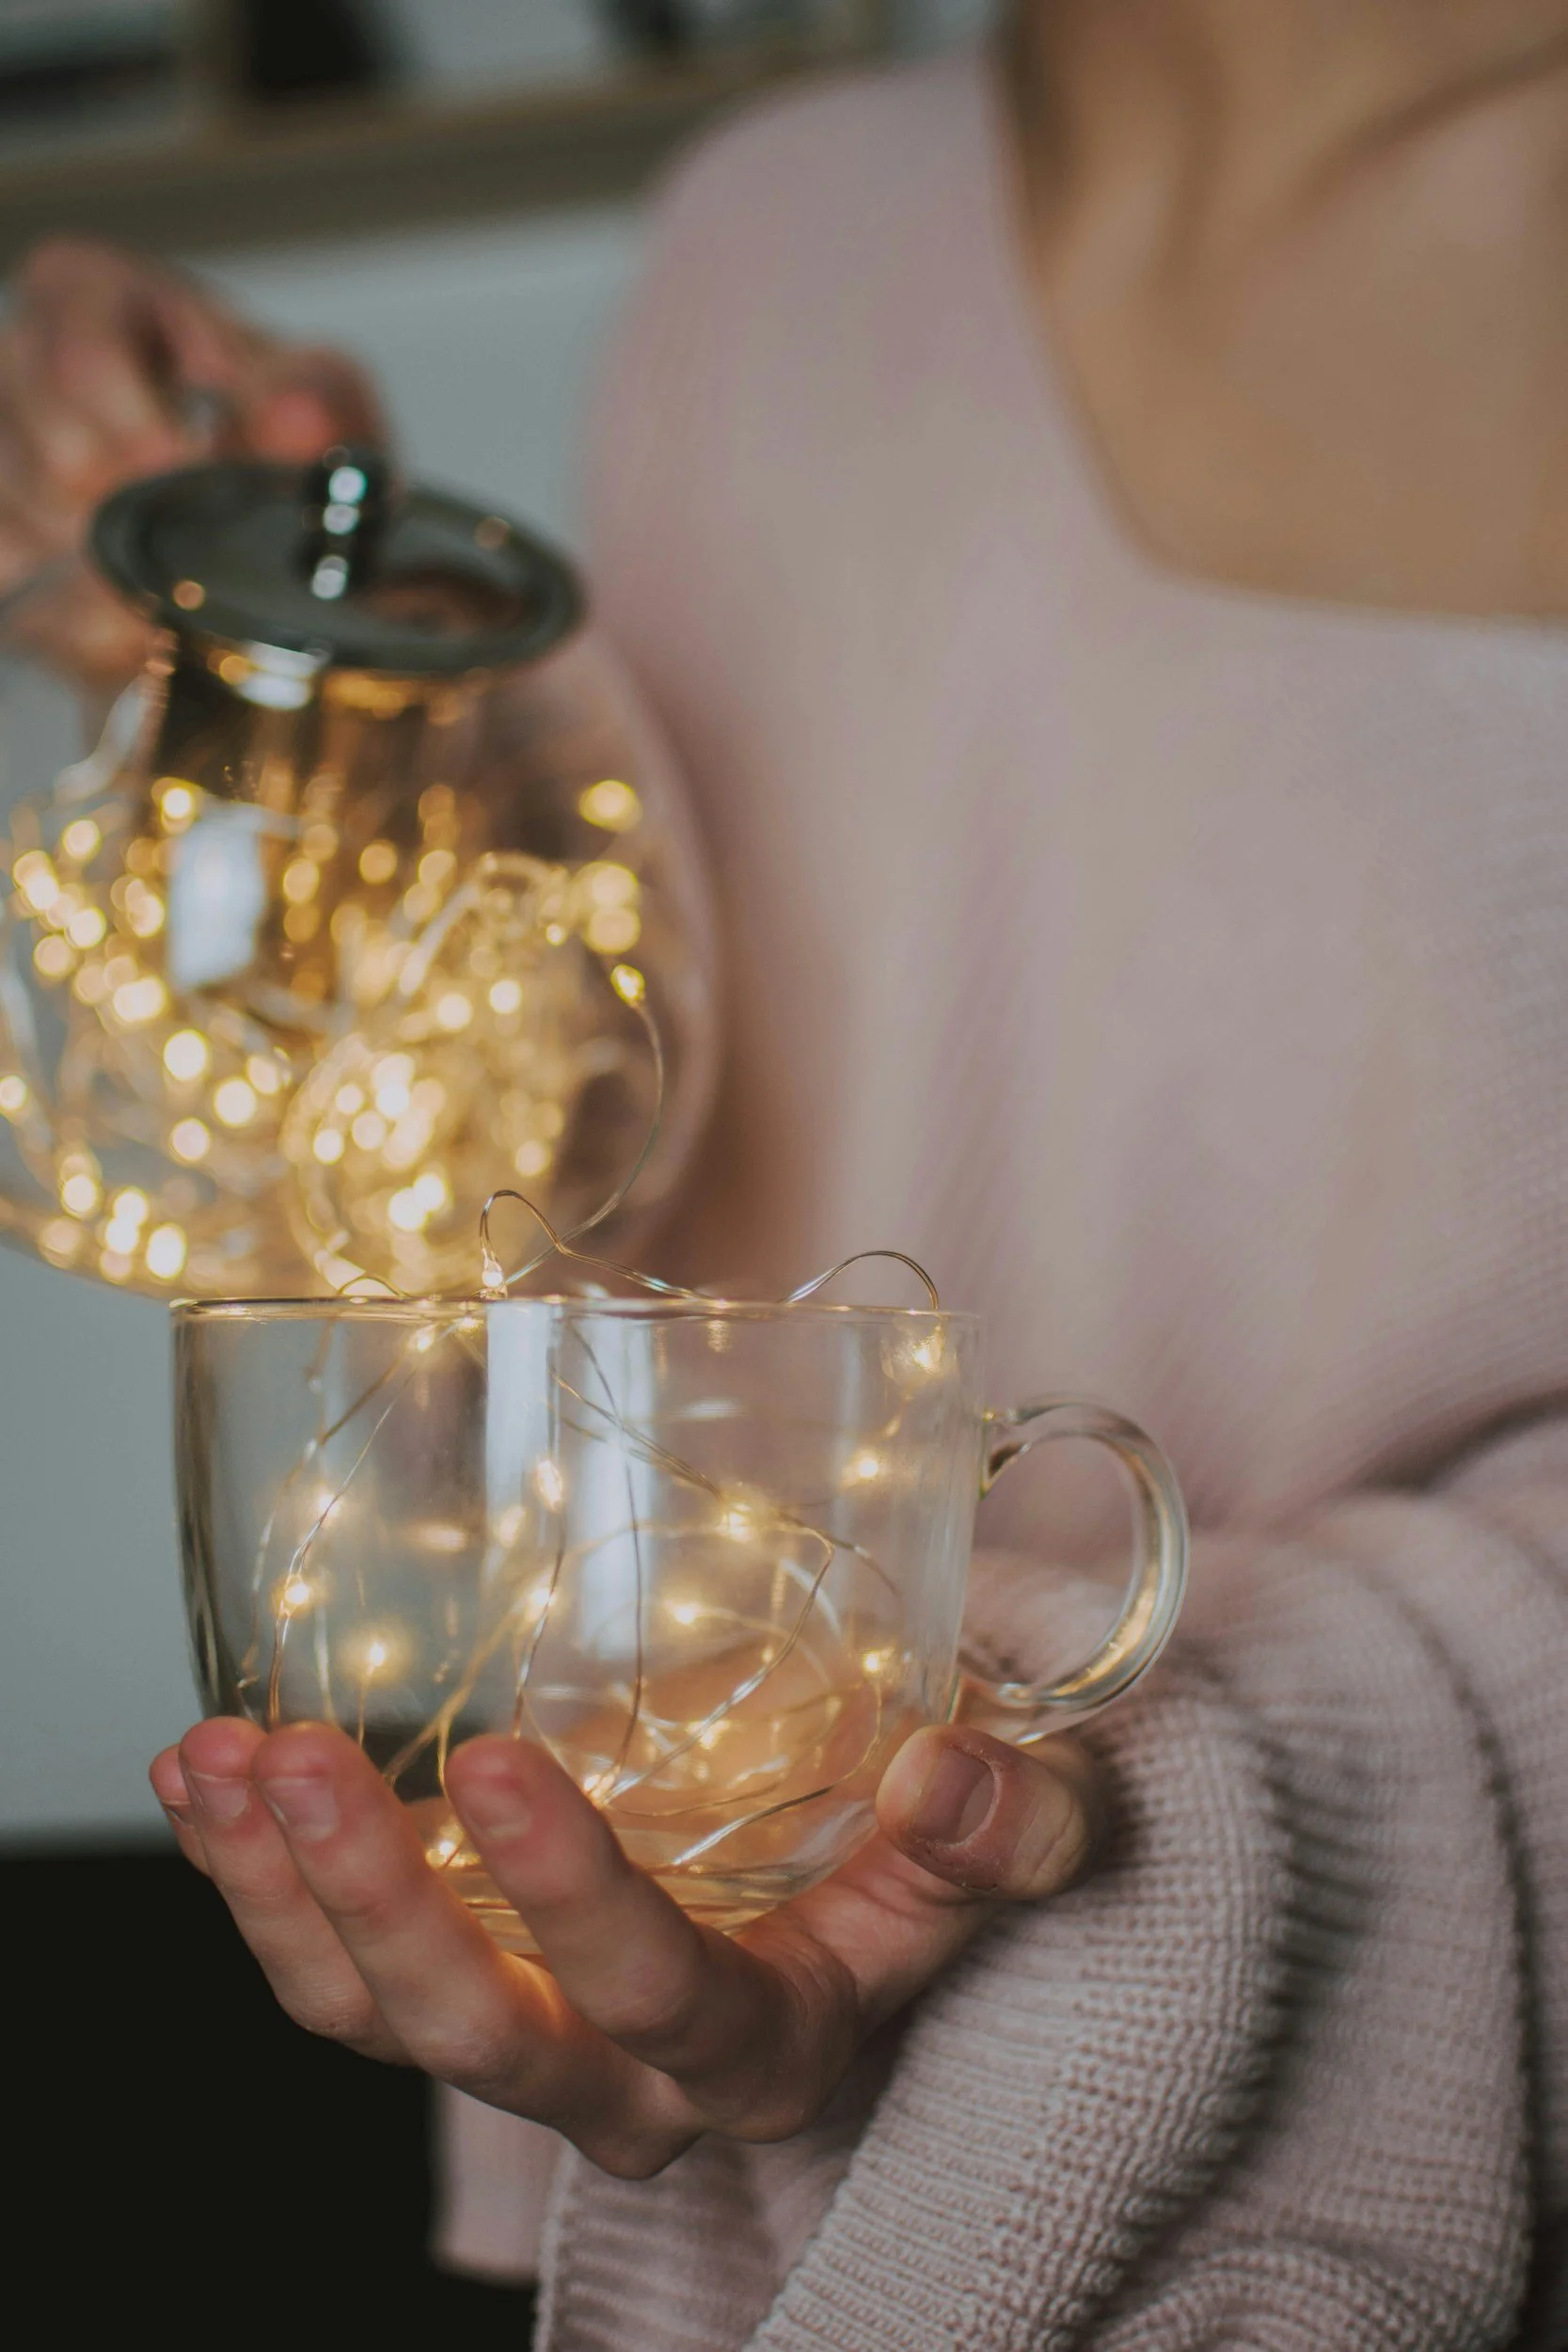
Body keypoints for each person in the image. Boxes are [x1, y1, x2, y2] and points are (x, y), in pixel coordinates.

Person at [8, 3, 1568, 2342]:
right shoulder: (768, 228)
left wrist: (1148, 1745)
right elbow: (559, 1218)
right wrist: (321, 731)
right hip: (638, 2135)